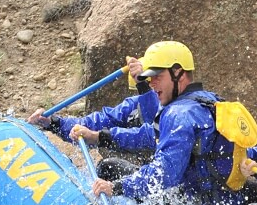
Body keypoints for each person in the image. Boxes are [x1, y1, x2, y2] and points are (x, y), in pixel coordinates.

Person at [90, 41, 247, 205]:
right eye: (149, 77)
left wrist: (116, 187)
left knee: (107, 167)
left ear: (178, 73)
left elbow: (164, 174)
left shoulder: (178, 114)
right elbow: (151, 135)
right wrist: (101, 137)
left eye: (157, 76)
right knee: (113, 166)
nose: (151, 83)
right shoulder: (208, 100)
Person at [26, 55, 158, 152]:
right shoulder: (135, 105)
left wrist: (99, 137)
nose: (156, 91)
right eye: (150, 88)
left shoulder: (176, 113)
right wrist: (54, 122)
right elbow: (95, 123)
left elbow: (154, 129)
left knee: (108, 167)